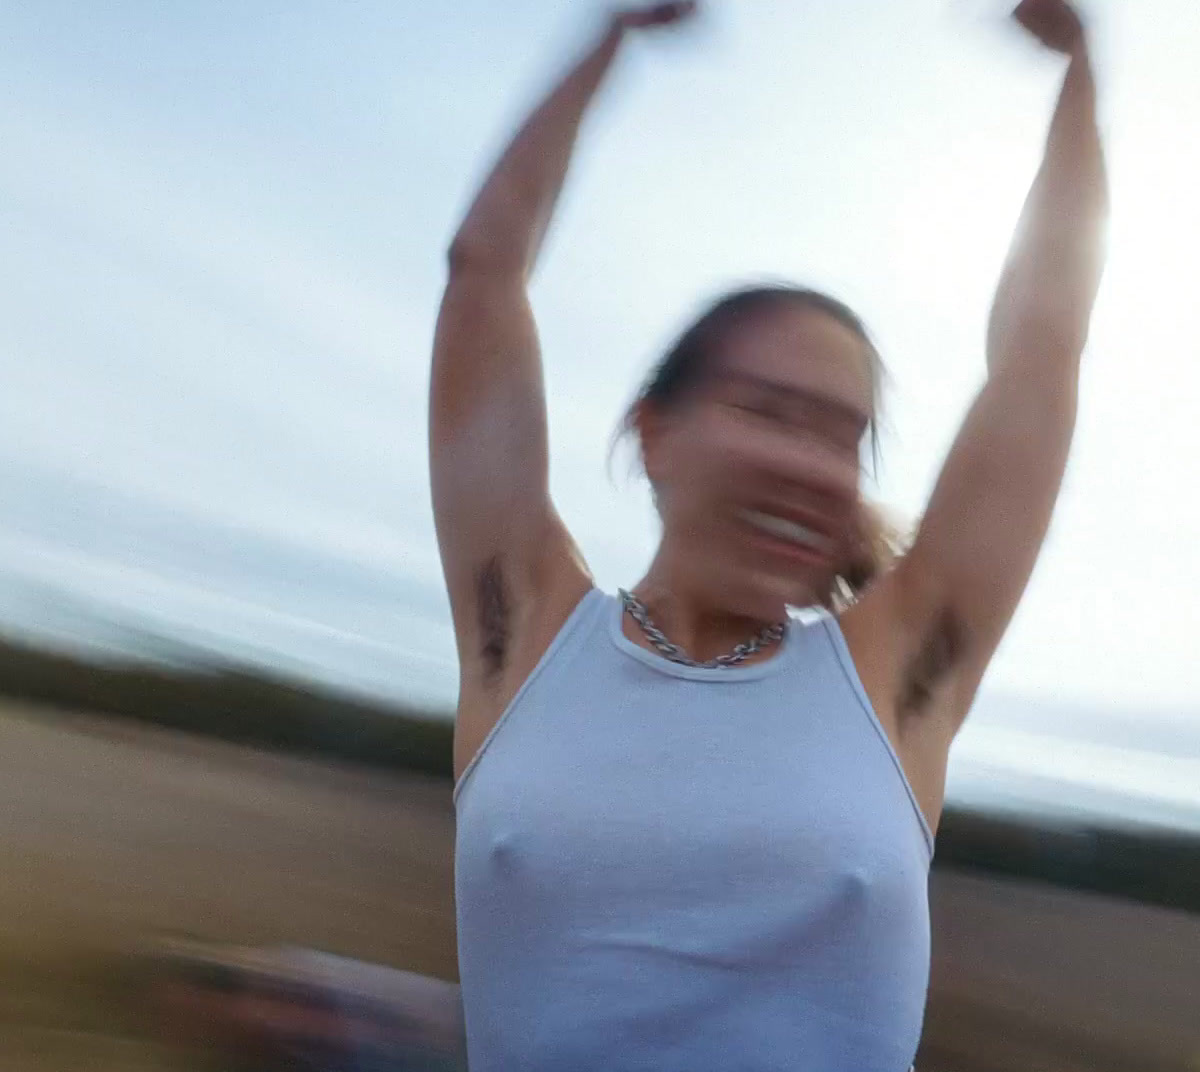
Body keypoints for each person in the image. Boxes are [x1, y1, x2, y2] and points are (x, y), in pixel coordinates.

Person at [430, 0, 1107, 1068]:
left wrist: (1080, 81)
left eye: (845, 440)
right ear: (656, 433)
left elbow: (1041, 355)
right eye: (767, 412)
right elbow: (483, 274)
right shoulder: (522, 630)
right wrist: (608, 34)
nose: (811, 466)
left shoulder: (898, 673)